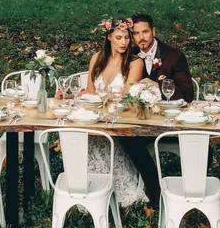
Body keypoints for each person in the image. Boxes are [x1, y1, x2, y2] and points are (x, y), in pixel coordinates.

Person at [118, 13, 194, 208]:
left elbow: (187, 94)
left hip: (168, 124)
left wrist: (156, 86)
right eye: (136, 33)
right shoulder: (129, 55)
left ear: (154, 31)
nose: (141, 37)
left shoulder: (173, 56)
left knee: (198, 142)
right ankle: (155, 191)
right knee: (126, 137)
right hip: (141, 123)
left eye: (145, 32)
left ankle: (191, 190)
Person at [82, 18, 147, 207]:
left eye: (127, 37)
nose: (123, 42)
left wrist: (105, 99)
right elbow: (90, 92)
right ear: (109, 37)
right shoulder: (97, 58)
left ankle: (116, 187)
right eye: (118, 37)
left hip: (119, 118)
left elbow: (127, 98)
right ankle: (89, 187)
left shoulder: (135, 63)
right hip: (96, 117)